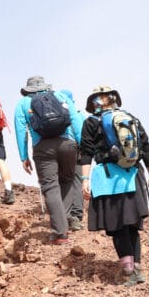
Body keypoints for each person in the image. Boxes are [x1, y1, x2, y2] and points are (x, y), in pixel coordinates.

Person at [79, 85, 149, 285]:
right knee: (132, 225)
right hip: (133, 174)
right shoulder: (130, 118)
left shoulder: (91, 122)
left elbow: (86, 152)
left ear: (94, 103)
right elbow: (146, 147)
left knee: (118, 226)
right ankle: (137, 269)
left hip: (109, 178)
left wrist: (85, 180)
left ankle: (128, 272)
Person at [14, 77, 83, 245]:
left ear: (28, 89)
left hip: (42, 147)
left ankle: (60, 233)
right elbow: (76, 119)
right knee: (67, 180)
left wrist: (24, 156)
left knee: (51, 186)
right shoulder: (60, 96)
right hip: (68, 143)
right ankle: (65, 220)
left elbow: (20, 130)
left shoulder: (23, 103)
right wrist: (81, 144)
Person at [59, 89, 86, 230]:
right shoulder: (78, 113)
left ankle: (64, 214)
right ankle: (76, 215)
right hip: (76, 148)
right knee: (77, 180)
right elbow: (83, 131)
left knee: (63, 181)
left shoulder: (56, 111)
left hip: (59, 147)